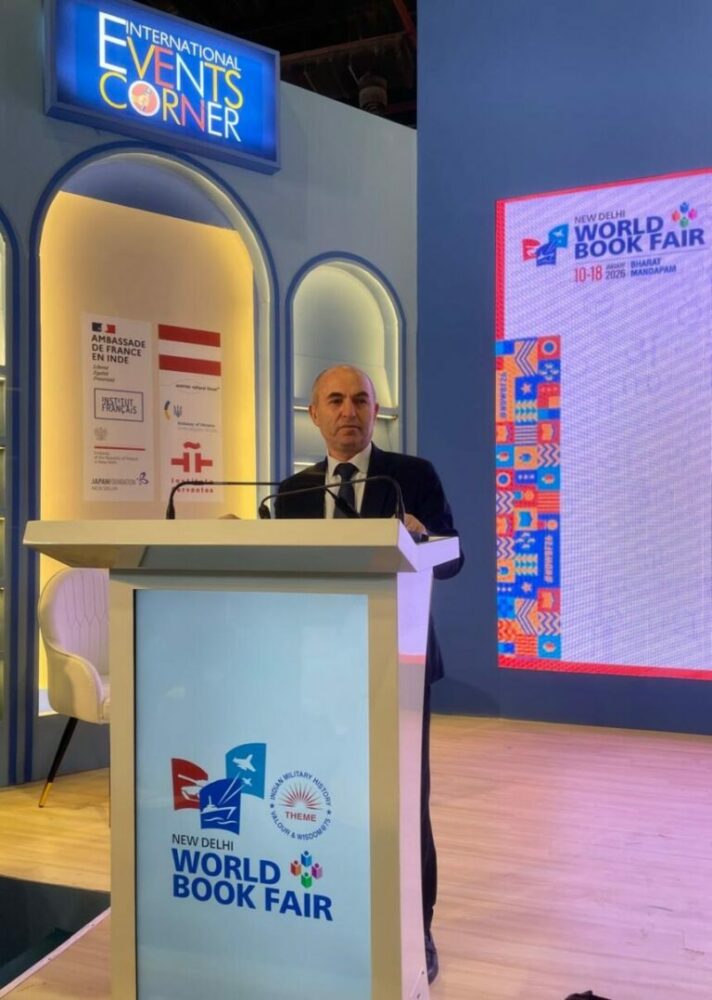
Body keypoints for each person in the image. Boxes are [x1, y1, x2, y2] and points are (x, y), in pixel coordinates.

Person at [275, 364, 463, 985]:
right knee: (319, 796)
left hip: (398, 664)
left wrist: (423, 538)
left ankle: (416, 929)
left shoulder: (412, 476)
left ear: (375, 411)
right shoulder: (290, 494)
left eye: (360, 400)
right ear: (314, 414)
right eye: (335, 400)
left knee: (404, 799)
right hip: (319, 674)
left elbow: (453, 558)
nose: (348, 411)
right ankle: (332, 913)